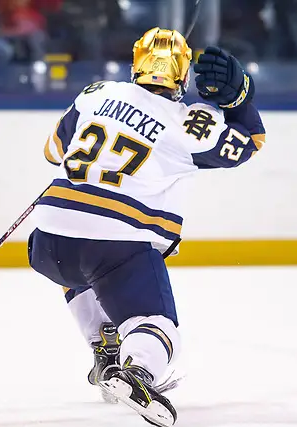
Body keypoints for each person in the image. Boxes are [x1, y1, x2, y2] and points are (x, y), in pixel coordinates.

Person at [27, 27, 266, 426]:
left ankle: (102, 346)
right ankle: (137, 371)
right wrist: (241, 97)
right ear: (183, 75)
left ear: (136, 64)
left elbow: (53, 151)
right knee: (155, 325)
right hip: (115, 245)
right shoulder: (188, 122)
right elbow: (249, 144)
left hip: (48, 242)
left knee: (79, 268)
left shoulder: (96, 94)